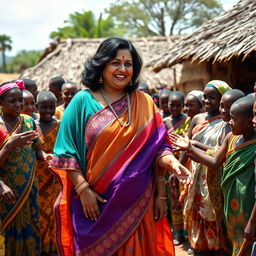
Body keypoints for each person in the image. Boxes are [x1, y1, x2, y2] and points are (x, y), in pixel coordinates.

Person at [49, 36, 191, 256]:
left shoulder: (144, 102)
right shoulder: (81, 101)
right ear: (102, 64)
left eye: (128, 63)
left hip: (139, 206)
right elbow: (66, 153)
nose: (122, 69)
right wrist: (83, 190)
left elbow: (159, 147)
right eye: (116, 62)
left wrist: (171, 164)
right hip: (93, 207)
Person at [171, 96, 256, 255]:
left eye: (234, 119)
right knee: (234, 243)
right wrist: (189, 147)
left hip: (249, 206)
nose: (229, 122)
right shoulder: (231, 138)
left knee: (248, 246)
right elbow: (214, 161)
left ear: (250, 121)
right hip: (230, 204)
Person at [178, 80, 231, 255]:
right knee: (196, 209)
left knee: (213, 211)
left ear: (222, 100)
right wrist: (178, 168)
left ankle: (217, 247)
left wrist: (193, 145)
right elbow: (186, 145)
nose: (206, 101)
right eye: (205, 97)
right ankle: (199, 246)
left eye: (212, 98)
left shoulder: (226, 123)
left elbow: (218, 153)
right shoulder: (197, 119)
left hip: (213, 173)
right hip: (195, 171)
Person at [0, 80, 50, 255]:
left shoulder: (29, 122)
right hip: (6, 192)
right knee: (8, 229)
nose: (18, 104)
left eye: (20, 100)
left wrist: (45, 156)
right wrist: (8, 146)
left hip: (29, 188)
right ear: (1, 103)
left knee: (31, 225)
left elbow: (38, 151)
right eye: (12, 101)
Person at [35, 91, 60, 255]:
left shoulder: (60, 125)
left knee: (55, 216)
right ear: (37, 107)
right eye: (43, 107)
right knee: (40, 217)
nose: (48, 110)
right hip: (37, 180)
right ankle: (42, 249)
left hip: (56, 180)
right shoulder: (31, 125)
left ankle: (55, 249)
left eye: (51, 107)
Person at [164, 91, 190, 245]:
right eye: (171, 105)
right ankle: (178, 233)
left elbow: (187, 145)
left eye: (178, 105)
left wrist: (179, 163)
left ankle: (188, 233)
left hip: (185, 164)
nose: (174, 108)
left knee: (185, 199)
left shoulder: (188, 121)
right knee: (173, 200)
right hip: (169, 165)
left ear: (183, 106)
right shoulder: (164, 121)